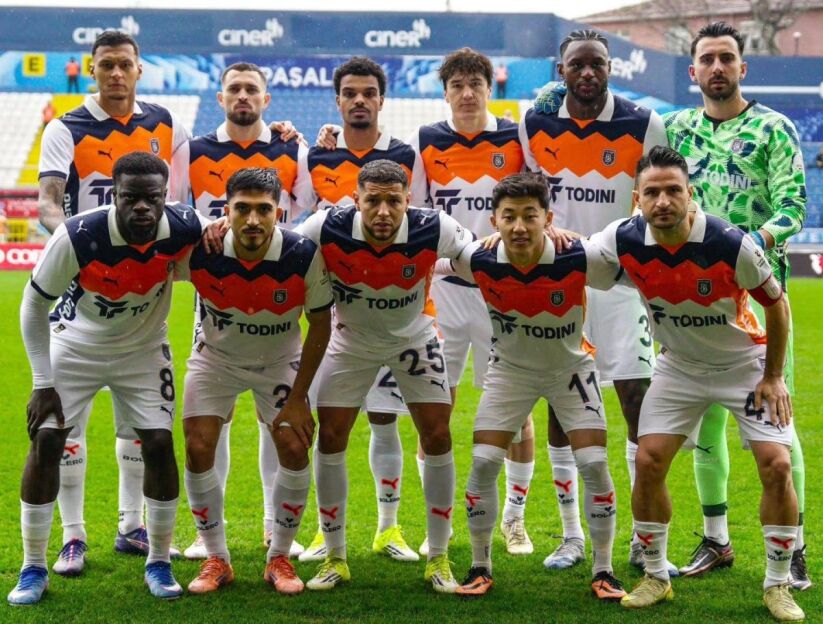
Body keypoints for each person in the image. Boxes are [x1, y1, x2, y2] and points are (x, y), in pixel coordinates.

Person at [590, 145, 803, 622]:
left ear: (691, 194)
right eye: (652, 193)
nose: (663, 201)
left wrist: (773, 376)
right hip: (680, 367)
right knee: (648, 460)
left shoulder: (729, 242)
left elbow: (777, 303)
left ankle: (778, 584)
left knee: (777, 466)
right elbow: (573, 257)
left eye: (673, 190)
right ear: (637, 199)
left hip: (743, 365)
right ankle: (655, 576)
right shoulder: (623, 238)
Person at [8, 152, 205, 605]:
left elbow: (218, 245)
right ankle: (33, 566)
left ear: (165, 196)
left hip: (142, 350)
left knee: (159, 443)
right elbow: (33, 305)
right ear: (113, 195)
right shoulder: (78, 235)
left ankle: (158, 561)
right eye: (131, 197)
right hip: (75, 346)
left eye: (152, 198)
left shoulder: (184, 226)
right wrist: (42, 382)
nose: (142, 207)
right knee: (47, 440)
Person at [37, 29, 190, 575]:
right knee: (64, 428)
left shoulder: (167, 124)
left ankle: (132, 526)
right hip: (85, 284)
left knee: (139, 425)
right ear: (93, 69)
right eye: (107, 65)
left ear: (139, 69)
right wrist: (83, 247)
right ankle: (73, 536)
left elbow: (183, 202)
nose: (116, 74)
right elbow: (49, 203)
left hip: (145, 288)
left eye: (125, 64)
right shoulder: (66, 127)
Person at [519, 29, 672, 574]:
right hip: (562, 283)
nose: (587, 73)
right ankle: (571, 536)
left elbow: (656, 194)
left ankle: (643, 536)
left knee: (637, 400)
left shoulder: (644, 122)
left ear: (610, 68)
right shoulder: (535, 123)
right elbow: (528, 195)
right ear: (561, 70)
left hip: (625, 283)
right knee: (564, 407)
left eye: (597, 64)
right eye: (577, 65)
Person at [665, 22, 810, 589]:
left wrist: (745, 246)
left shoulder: (774, 128)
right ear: (693, 71)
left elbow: (792, 206)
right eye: (708, 59)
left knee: (777, 424)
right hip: (691, 300)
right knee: (706, 424)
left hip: (759, 298)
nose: (718, 67)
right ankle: (716, 539)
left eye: (727, 57)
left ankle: (794, 548)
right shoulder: (676, 128)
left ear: (742, 68)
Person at [441, 173, 626, 601]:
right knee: (483, 462)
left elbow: (625, 271)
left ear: (548, 218)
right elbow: (430, 261)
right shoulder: (479, 259)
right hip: (511, 371)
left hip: (571, 370)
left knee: (594, 463)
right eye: (509, 217)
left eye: (530, 216)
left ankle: (604, 570)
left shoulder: (578, 256)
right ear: (494, 221)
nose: (520, 226)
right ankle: (480, 566)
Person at [296, 159, 472, 593]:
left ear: (408, 201)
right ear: (355, 200)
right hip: (350, 340)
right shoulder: (326, 225)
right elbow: (283, 248)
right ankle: (335, 556)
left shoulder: (434, 227)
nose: (383, 212)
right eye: (372, 201)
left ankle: (439, 557)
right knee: (330, 435)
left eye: (394, 201)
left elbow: (475, 253)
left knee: (438, 435)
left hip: (414, 339)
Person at [171, 61, 311, 561]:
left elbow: (309, 209)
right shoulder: (194, 150)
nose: (243, 96)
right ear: (221, 97)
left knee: (275, 419)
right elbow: (176, 208)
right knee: (216, 416)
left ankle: (276, 527)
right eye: (235, 89)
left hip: (277, 290)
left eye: (253, 88)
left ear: (267, 99)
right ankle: (209, 532)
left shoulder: (292, 147)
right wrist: (208, 225)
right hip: (218, 292)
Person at [297, 56, 428, 564]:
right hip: (333, 311)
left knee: (384, 417)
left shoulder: (405, 155)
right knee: (330, 424)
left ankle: (388, 528)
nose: (359, 100)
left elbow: (421, 221)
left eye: (368, 93)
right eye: (349, 93)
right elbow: (303, 225)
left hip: (391, 305)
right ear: (337, 101)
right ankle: (324, 531)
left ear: (381, 100)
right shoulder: (316, 154)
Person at [177, 168, 332, 595]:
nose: (252, 219)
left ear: (278, 213)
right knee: (198, 445)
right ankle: (216, 557)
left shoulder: (302, 253)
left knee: (294, 445)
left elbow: (321, 324)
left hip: (279, 362)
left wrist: (299, 397)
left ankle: (279, 556)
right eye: (242, 208)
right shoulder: (202, 250)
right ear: (225, 211)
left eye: (263, 209)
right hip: (216, 359)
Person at [406, 47, 533, 556]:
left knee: (515, 411)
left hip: (505, 295)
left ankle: (515, 519)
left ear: (488, 88)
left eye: (474, 84)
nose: (466, 94)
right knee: (437, 409)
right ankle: (438, 522)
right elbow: (418, 215)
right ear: (445, 93)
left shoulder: (516, 138)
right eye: (456, 85)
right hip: (446, 296)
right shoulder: (428, 140)